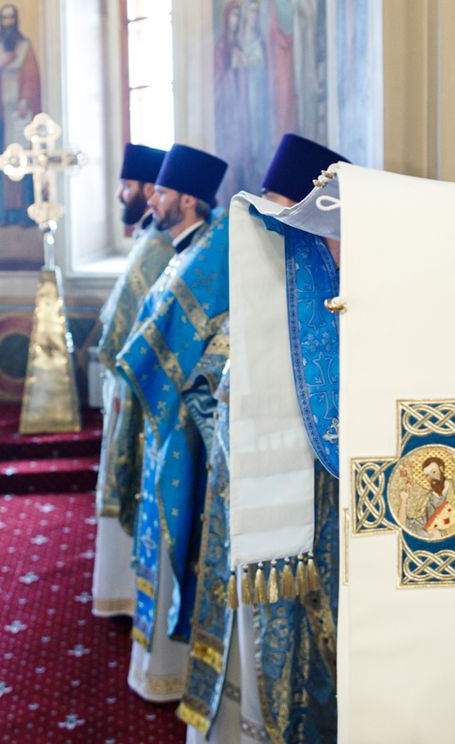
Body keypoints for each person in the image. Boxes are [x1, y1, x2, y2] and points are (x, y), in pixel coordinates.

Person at [181, 133, 348, 744]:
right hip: (243, 503)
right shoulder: (258, 292)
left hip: (314, 520)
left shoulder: (343, 302)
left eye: (279, 212)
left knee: (306, 658)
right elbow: (209, 384)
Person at [116, 144, 229, 702]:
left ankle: (171, 668)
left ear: (187, 199)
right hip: (163, 421)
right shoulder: (183, 251)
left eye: (161, 192)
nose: (152, 200)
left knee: (175, 530)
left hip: (181, 425)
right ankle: (154, 664)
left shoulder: (209, 253)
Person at [92, 143, 175, 619]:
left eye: (127, 185)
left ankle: (124, 593)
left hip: (138, 386)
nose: (121, 194)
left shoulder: (159, 245)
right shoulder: (151, 236)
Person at [0, 3, 44, 227]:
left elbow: (32, 78)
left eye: (11, 18)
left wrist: (25, 99)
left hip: (20, 114)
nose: (8, 23)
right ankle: (1, 214)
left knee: (24, 160)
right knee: (0, 163)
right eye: (4, 18)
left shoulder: (25, 47)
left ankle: (25, 215)